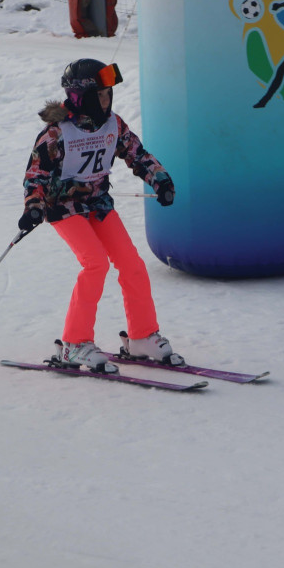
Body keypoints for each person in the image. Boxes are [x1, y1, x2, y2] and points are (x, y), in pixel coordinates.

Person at [19, 58, 182, 373]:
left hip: (98, 204)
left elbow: (137, 154)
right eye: (101, 95)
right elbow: (35, 176)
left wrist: (160, 179)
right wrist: (34, 206)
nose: (107, 101)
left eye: (109, 94)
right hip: (63, 208)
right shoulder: (56, 133)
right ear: (82, 97)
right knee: (95, 263)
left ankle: (142, 336)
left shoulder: (113, 125)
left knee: (132, 264)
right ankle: (75, 344)